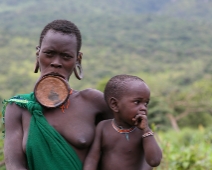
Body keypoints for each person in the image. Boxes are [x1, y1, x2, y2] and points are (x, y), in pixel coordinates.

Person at [2, 19, 112, 170]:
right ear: (38, 54)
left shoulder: (94, 102)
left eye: (66, 56)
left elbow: (127, 146)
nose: (56, 62)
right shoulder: (18, 106)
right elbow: (14, 165)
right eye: (49, 53)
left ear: (78, 60)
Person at [83, 75, 162, 170]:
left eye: (146, 103)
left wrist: (146, 130)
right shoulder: (103, 128)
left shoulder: (143, 132)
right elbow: (92, 159)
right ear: (115, 104)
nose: (143, 108)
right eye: (137, 102)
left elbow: (154, 161)